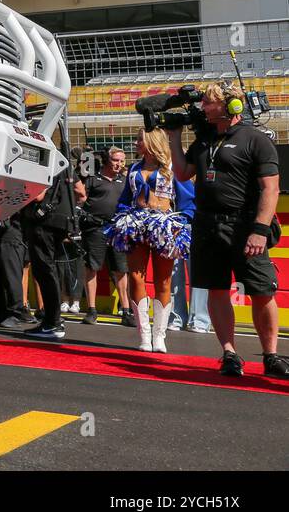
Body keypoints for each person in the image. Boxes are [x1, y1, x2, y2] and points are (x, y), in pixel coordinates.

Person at [169, 82, 288, 378]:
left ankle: (271, 356)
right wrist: (173, 138)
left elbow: (270, 189)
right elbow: (184, 172)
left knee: (261, 291)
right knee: (217, 290)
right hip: (207, 224)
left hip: (245, 226)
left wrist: (260, 229)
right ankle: (229, 354)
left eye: (210, 103)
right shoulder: (205, 140)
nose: (204, 108)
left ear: (232, 106)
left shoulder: (256, 140)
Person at [104, 129, 194, 353]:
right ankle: (144, 334)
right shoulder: (133, 169)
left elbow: (188, 200)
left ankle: (159, 336)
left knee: (164, 281)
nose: (135, 143)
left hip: (163, 226)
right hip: (137, 225)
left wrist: (180, 223)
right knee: (136, 278)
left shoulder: (172, 168)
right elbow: (125, 198)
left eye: (139, 140)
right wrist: (123, 218)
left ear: (152, 143)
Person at [18, 160, 83, 339]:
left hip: (43, 221)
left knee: (44, 270)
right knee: (50, 269)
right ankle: (52, 319)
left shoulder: (41, 159)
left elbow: (38, 195)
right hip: (62, 221)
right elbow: (81, 192)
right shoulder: (64, 164)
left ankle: (52, 322)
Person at [79, 146, 129, 324]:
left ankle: (126, 311)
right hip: (95, 229)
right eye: (116, 160)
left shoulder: (125, 181)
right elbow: (80, 197)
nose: (119, 164)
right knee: (91, 267)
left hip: (117, 230)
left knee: (121, 270)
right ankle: (92, 310)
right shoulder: (93, 179)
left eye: (122, 161)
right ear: (108, 160)